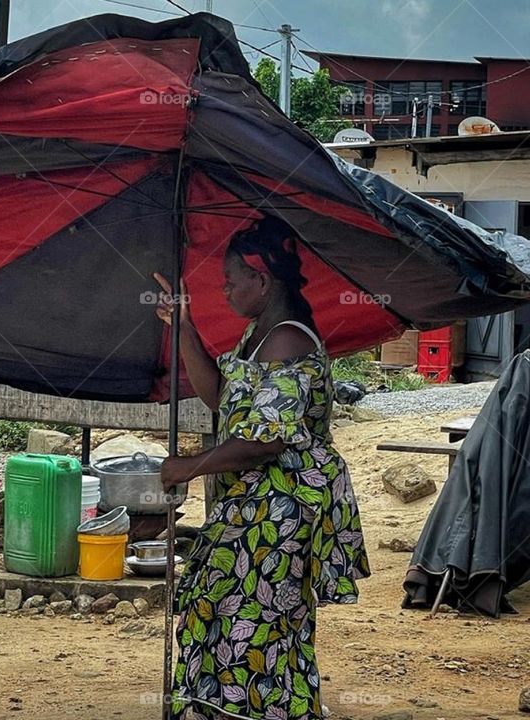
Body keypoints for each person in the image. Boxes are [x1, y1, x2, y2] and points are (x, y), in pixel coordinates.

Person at [153, 216, 370, 720]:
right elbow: (221, 399)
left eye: (231, 280)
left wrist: (188, 467)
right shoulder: (259, 333)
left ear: (262, 279)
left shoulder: (288, 341)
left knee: (256, 622)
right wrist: (184, 327)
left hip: (282, 506)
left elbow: (263, 441)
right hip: (253, 503)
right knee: (219, 604)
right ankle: (222, 708)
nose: (225, 290)